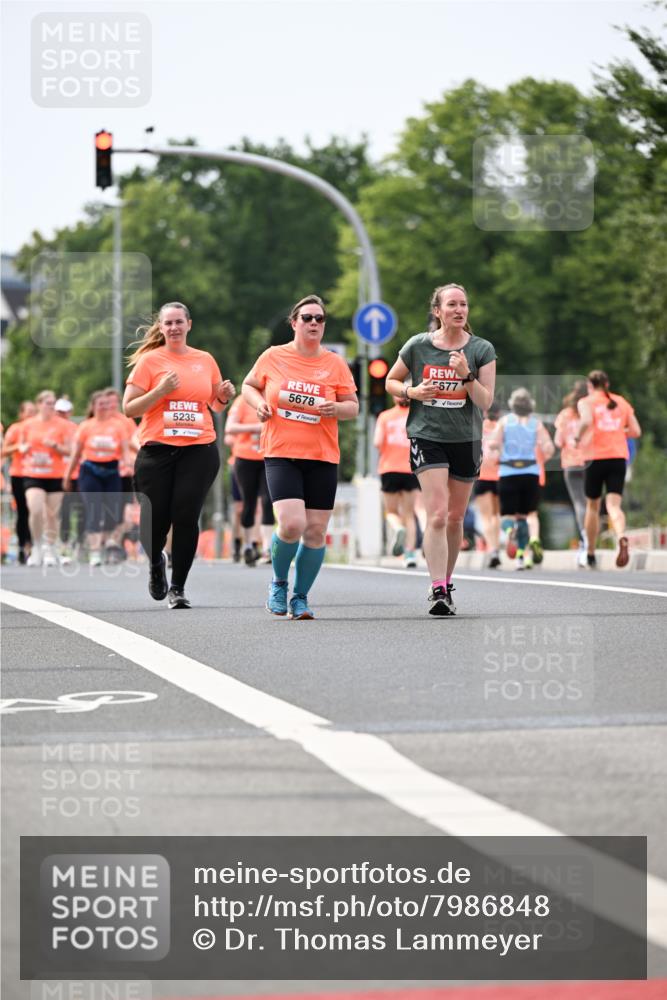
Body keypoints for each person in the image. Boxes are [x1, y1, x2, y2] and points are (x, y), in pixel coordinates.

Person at [242, 294, 358, 619]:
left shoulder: (335, 363)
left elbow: (353, 407)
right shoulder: (274, 356)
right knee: (292, 524)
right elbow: (248, 386)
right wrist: (258, 403)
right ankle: (279, 582)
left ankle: (301, 597)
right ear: (294, 323)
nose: (313, 324)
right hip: (282, 452)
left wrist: (336, 408)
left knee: (316, 531)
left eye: (319, 319)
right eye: (307, 318)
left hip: (322, 455)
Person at [385, 283, 496, 615]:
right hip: (427, 436)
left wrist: (466, 376)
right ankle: (436, 589)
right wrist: (413, 392)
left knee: (455, 516)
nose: (459, 310)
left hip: (466, 439)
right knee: (435, 514)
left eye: (464, 304)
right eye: (452, 305)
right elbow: (390, 381)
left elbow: (485, 401)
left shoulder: (481, 350)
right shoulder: (418, 346)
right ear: (438, 311)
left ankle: (446, 581)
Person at [122, 302, 235, 608]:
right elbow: (129, 408)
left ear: (189, 325)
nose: (173, 328)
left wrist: (224, 395)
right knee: (154, 523)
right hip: (157, 450)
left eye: (178, 322)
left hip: (199, 448)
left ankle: (178, 587)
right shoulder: (149, 361)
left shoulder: (204, 359)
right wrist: (160, 391)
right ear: (160, 327)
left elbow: (215, 404)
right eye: (168, 323)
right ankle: (156, 562)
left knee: (186, 515)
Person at [574, 369, 641, 569]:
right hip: (618, 457)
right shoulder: (621, 402)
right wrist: (617, 430)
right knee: (613, 505)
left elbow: (586, 421)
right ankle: (621, 536)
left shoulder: (586, 402)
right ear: (607, 384)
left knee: (592, 507)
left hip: (595, 458)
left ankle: (591, 553)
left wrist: (577, 437)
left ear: (590, 386)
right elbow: (636, 431)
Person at [63, 391, 132, 566]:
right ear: (93, 406)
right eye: (100, 404)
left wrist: (130, 466)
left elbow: (125, 452)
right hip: (90, 471)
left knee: (112, 511)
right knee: (94, 509)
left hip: (111, 471)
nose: (104, 407)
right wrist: (68, 475)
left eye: (107, 404)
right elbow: (76, 454)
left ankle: (107, 547)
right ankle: (94, 552)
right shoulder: (86, 426)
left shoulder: (118, 426)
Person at [491, 388, 555, 570]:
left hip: (508, 471)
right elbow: (548, 448)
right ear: (530, 406)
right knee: (528, 515)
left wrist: (500, 452)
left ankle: (510, 532)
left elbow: (493, 443)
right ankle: (527, 548)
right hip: (530, 472)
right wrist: (542, 457)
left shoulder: (505, 422)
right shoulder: (536, 424)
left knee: (507, 516)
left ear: (512, 405)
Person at [21, 390, 72, 567]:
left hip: (55, 474)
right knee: (35, 508)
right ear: (39, 404)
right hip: (32, 473)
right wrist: (23, 448)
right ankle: (36, 547)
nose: (50, 406)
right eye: (47, 403)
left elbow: (70, 450)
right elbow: (20, 445)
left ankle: (50, 547)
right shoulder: (28, 425)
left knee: (52, 514)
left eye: (53, 403)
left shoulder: (62, 425)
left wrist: (56, 446)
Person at [225, 393, 275, 565]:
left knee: (268, 501)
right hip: (245, 458)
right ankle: (247, 545)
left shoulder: (274, 396)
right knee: (248, 503)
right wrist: (255, 427)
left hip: (269, 457)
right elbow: (229, 428)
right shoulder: (242, 401)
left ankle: (268, 548)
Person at [373, 393, 420, 568]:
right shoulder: (416, 416)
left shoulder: (385, 417)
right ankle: (410, 554)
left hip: (389, 468)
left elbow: (377, 442)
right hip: (411, 468)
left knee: (391, 511)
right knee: (409, 513)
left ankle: (397, 527)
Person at [554, 378, 589, 568]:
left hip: (571, 463)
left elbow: (558, 441)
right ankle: (591, 542)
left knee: (579, 503)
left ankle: (584, 542)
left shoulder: (565, 415)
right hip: (591, 460)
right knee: (592, 503)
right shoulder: (590, 413)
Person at [1, 400, 37, 563]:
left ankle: (35, 545)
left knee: (36, 510)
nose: (31, 415)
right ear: (21, 414)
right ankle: (23, 546)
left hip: (39, 475)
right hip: (20, 473)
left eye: (33, 411)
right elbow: (3, 451)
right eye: (28, 411)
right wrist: (18, 447)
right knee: (23, 512)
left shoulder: (40, 428)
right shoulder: (16, 429)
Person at [473, 401, 501, 568]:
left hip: (482, 474)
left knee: (485, 516)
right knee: (496, 516)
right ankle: (496, 546)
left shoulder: (478, 427)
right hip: (500, 475)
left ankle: (493, 549)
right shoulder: (502, 428)